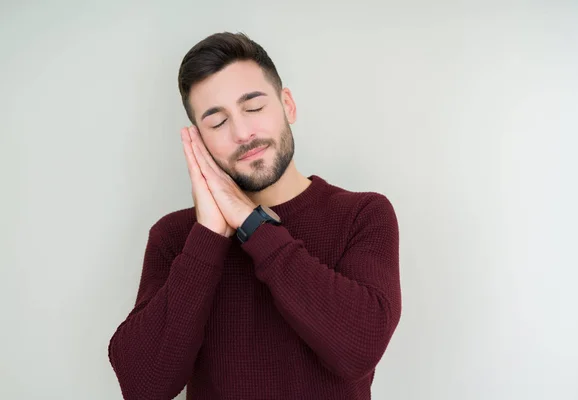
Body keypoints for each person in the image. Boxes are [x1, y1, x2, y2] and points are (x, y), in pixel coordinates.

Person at [108, 31, 402, 400]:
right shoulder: (175, 237)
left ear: (288, 106)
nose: (243, 133)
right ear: (198, 139)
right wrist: (208, 237)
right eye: (217, 123)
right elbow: (143, 385)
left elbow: (359, 349)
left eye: (253, 107)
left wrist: (252, 224)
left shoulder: (363, 215)